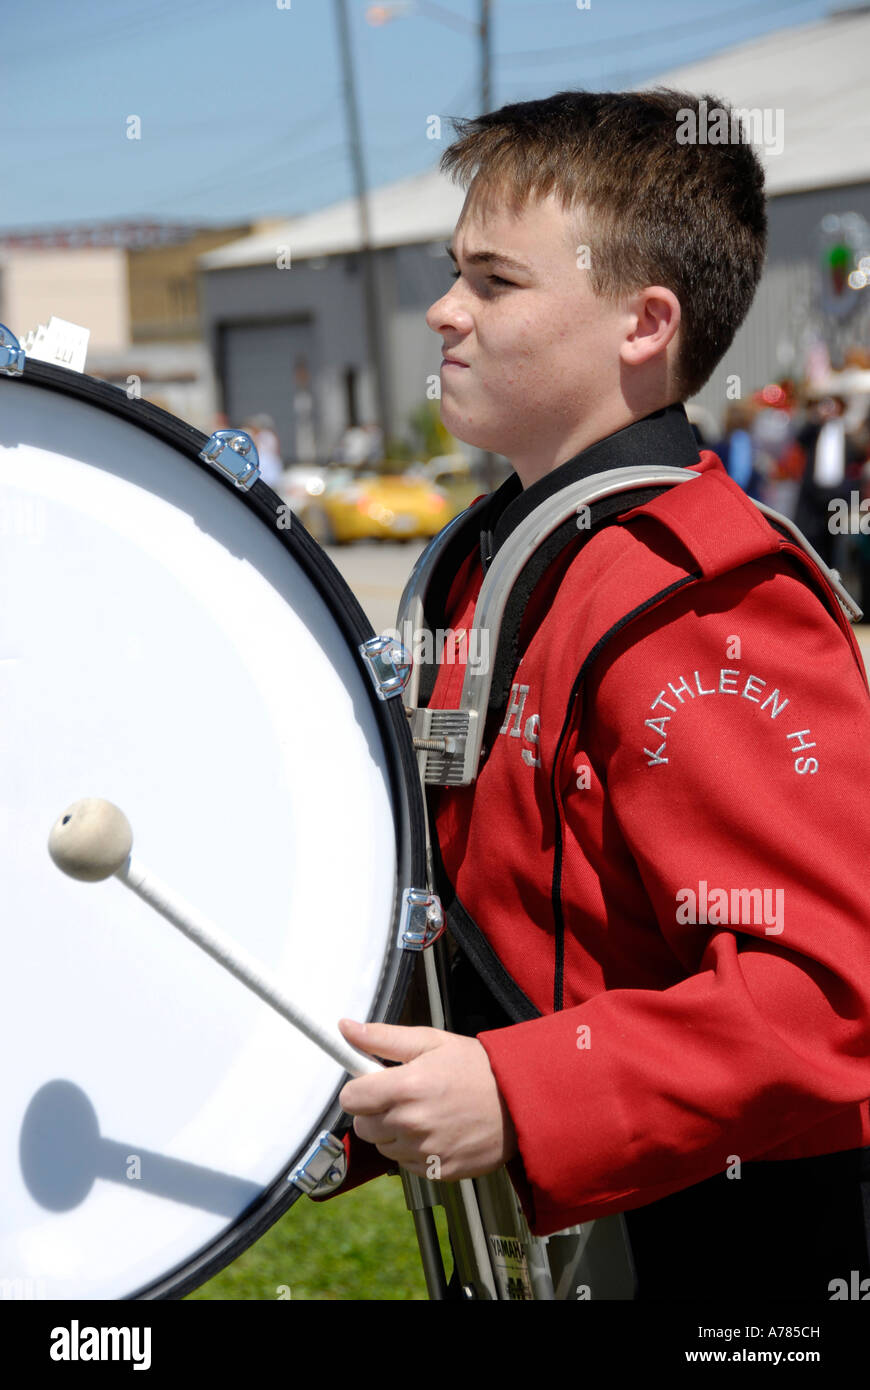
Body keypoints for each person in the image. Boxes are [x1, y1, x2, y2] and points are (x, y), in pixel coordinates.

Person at [323, 89, 870, 1301]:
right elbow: (494, 928)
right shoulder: (486, 565)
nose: (444, 311)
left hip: (736, 1263)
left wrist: (524, 1092)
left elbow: (831, 995)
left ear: (643, 323)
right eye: (453, 271)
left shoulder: (706, 603)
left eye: (495, 281)